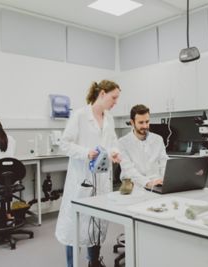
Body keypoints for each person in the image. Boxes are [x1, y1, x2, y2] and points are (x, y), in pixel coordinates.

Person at [55, 80, 121, 267]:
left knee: (98, 223)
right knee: (74, 226)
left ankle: (94, 261)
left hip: (101, 179)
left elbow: (113, 141)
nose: (115, 102)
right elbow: (64, 143)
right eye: (113, 97)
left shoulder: (109, 118)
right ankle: (72, 264)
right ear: (102, 94)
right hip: (81, 179)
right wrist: (86, 153)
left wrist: (115, 152)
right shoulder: (80, 116)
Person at [118, 104, 168, 189]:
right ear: (132, 122)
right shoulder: (122, 143)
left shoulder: (158, 139)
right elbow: (129, 170)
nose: (145, 126)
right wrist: (148, 183)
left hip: (157, 186)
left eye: (147, 122)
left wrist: (167, 180)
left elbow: (164, 164)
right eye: (141, 122)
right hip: (134, 187)